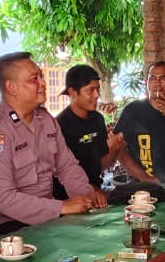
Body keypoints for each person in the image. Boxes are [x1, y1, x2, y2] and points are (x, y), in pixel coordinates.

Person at [0, 52, 108, 240]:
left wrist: (87, 195)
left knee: (100, 237)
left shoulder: (46, 120)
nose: (43, 83)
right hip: (3, 226)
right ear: (12, 87)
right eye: (34, 79)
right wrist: (62, 207)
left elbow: (67, 166)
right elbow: (4, 199)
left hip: (46, 218)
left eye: (41, 76)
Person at [114, 61, 165, 183]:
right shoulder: (133, 110)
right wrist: (146, 178)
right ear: (146, 83)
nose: (157, 83)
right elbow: (118, 150)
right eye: (152, 78)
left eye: (163, 78)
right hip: (141, 187)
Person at [53, 64, 126, 198]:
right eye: (90, 90)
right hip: (70, 199)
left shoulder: (97, 119)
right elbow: (63, 174)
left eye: (98, 89)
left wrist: (116, 149)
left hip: (96, 193)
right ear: (72, 92)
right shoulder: (59, 126)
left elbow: (100, 166)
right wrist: (95, 192)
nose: (97, 95)